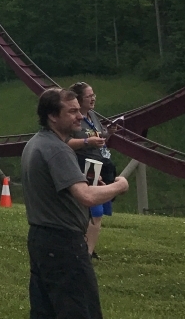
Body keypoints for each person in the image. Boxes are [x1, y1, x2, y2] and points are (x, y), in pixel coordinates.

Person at [22, 88, 129, 319]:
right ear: (53, 115)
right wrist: (120, 185)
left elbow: (60, 187)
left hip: (41, 240)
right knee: (81, 310)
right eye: (72, 112)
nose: (80, 116)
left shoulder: (35, 143)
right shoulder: (58, 150)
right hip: (64, 243)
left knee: (45, 311)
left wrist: (87, 182)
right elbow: (86, 197)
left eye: (79, 111)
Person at [66, 82, 119, 258]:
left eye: (93, 95)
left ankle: (88, 250)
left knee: (98, 211)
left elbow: (99, 138)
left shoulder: (93, 116)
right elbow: (64, 143)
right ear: (79, 100)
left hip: (99, 166)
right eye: (89, 96)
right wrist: (87, 142)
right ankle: (85, 251)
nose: (93, 98)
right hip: (82, 166)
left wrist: (108, 133)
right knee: (90, 209)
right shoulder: (72, 119)